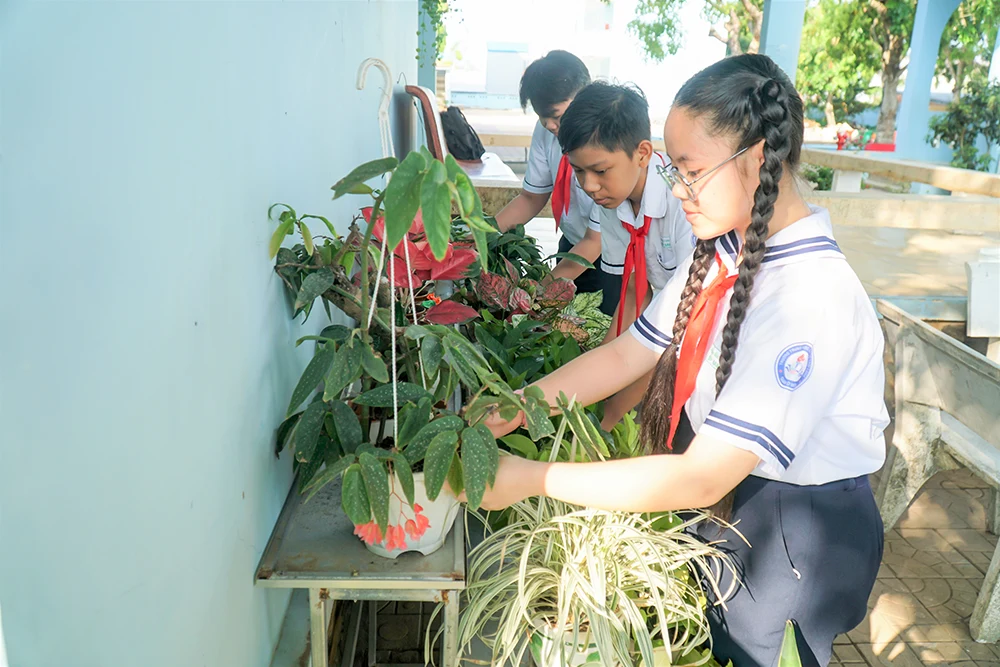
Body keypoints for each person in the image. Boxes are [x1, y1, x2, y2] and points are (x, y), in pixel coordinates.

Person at [473, 54, 888, 666]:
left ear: (756, 159)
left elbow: (703, 476)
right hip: (734, 504)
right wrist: (518, 406)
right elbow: (629, 353)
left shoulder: (810, 297)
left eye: (690, 171)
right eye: (675, 169)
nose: (676, 188)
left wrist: (530, 479)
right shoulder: (724, 253)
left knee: (759, 652)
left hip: (790, 530)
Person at [555, 82, 695, 425]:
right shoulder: (612, 200)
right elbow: (634, 293)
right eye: (578, 170)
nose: (589, 185)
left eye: (600, 171)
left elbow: (679, 331)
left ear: (643, 153)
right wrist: (597, 381)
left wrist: (610, 414)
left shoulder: (686, 206)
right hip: (665, 329)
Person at [493, 51, 608, 305]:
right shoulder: (547, 130)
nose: (549, 126)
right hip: (573, 245)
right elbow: (531, 198)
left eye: (556, 116)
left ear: (585, 97)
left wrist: (535, 293)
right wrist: (482, 235)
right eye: (541, 117)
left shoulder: (606, 142)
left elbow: (595, 241)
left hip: (611, 256)